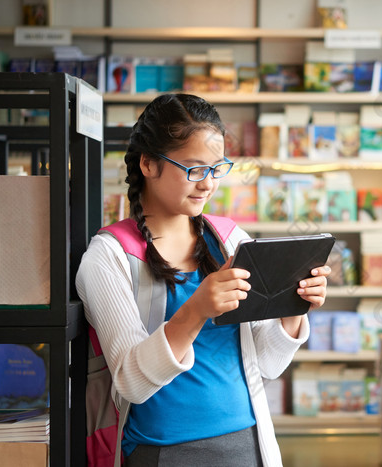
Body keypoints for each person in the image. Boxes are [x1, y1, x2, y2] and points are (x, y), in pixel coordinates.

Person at [76, 93, 330, 467]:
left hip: (248, 445)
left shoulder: (230, 240)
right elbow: (131, 381)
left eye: (217, 168)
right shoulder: (109, 255)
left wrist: (293, 309)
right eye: (194, 169)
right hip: (160, 451)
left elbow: (268, 365)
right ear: (148, 163)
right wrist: (195, 310)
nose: (208, 184)